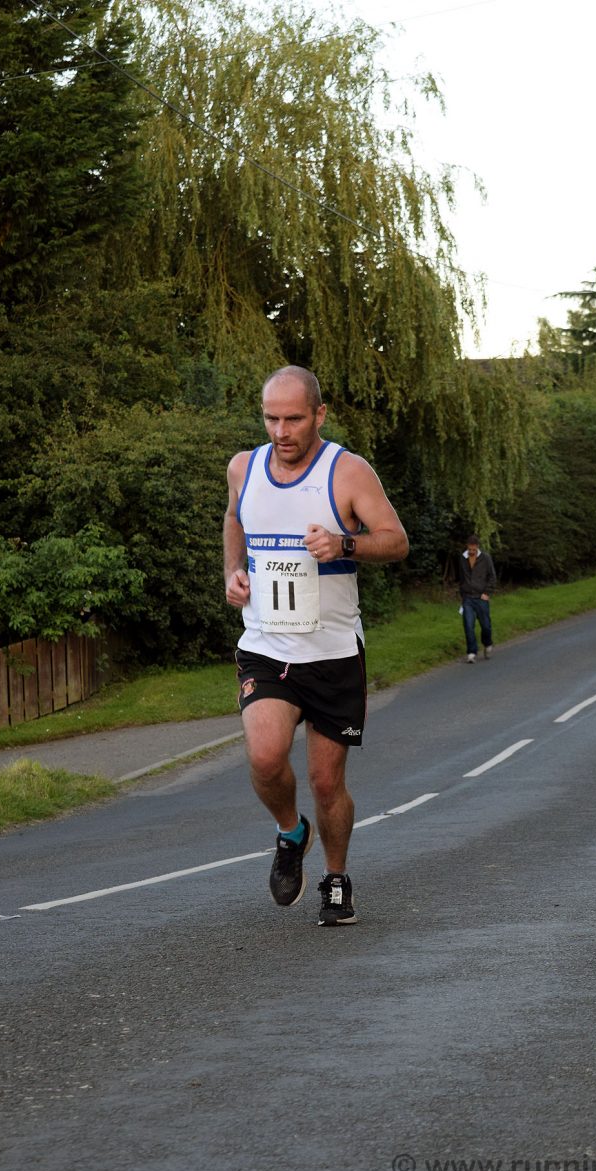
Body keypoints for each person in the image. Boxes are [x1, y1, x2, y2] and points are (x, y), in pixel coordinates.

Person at [224, 365, 409, 926]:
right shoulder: (243, 467)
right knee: (263, 756)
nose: (281, 430)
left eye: (294, 418)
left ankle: (335, 877)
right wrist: (233, 570)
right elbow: (235, 517)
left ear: (319, 415)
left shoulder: (347, 472)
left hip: (331, 651)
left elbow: (396, 542)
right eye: (271, 418)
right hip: (266, 644)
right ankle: (289, 832)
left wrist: (343, 543)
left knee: (328, 782)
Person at [458, 534, 496, 663]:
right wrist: (462, 594)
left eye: (474, 550)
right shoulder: (462, 559)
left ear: (477, 547)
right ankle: (471, 652)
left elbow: (492, 576)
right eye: (470, 549)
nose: (471, 552)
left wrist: (487, 592)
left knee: (485, 625)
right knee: (468, 625)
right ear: (467, 547)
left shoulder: (485, 558)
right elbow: (461, 578)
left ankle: (487, 643)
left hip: (481, 597)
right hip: (468, 598)